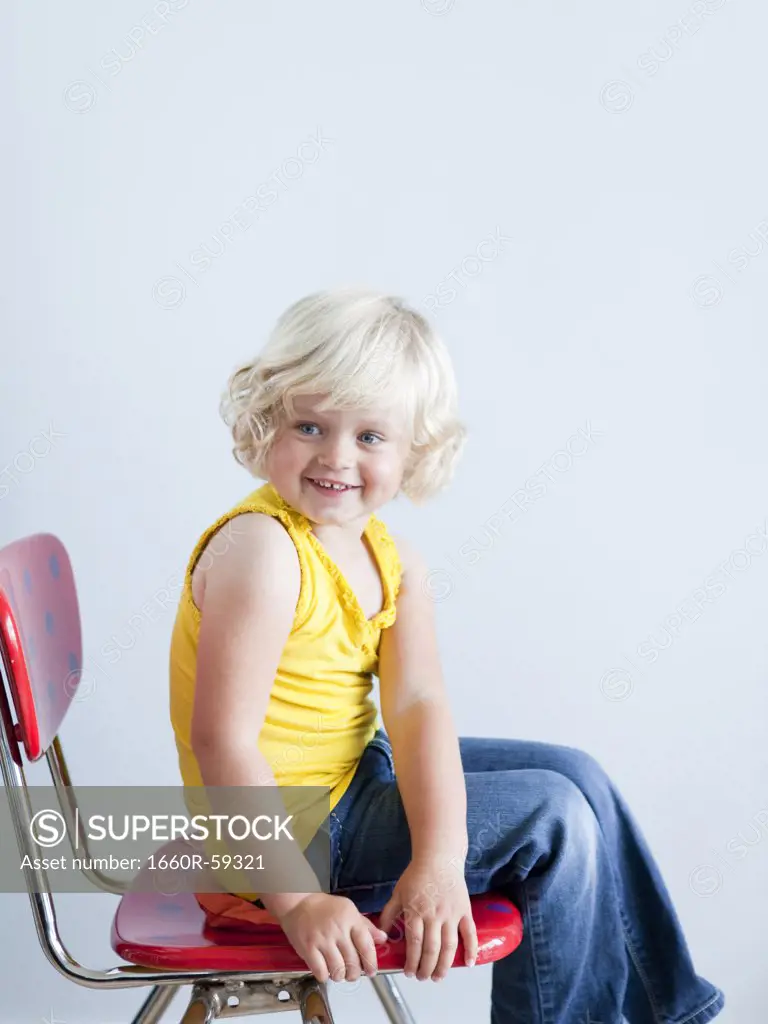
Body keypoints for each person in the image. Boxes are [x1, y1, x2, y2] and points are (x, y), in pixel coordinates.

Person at [169, 287, 725, 1023]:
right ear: (270, 419)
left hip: (350, 780)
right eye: (309, 425)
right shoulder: (263, 553)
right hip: (284, 839)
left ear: (414, 450)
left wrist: (438, 860)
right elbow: (223, 739)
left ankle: (670, 1010)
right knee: (553, 816)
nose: (336, 456)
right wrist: (299, 899)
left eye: (370, 437)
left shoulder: (387, 556)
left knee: (578, 775)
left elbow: (416, 706)